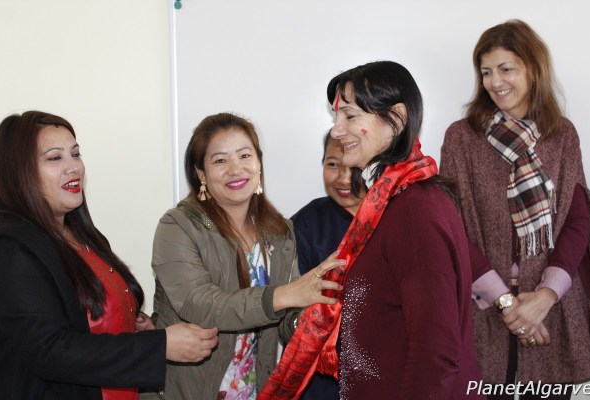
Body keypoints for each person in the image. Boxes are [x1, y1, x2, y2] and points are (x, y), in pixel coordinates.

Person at [260, 61, 485, 400]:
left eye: (350, 116)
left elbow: (435, 351)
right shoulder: (386, 201)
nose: (337, 130)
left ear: (396, 118)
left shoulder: (416, 207)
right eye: (336, 117)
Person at [0, 111, 219, 400]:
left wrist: (136, 326)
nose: (74, 167)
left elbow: (88, 321)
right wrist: (159, 346)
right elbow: (49, 350)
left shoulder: (83, 236)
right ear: (18, 172)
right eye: (55, 158)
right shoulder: (12, 247)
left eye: (75, 154)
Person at [440, 19, 590, 400]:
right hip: (484, 309)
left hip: (554, 308)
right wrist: (508, 304)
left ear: (533, 69)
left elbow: (578, 220)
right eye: (486, 72)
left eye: (506, 69)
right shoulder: (462, 137)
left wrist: (545, 297)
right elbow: (451, 226)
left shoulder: (562, 135)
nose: (495, 82)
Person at [145, 112, 343, 400]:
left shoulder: (279, 230)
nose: (236, 169)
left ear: (258, 163)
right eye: (220, 161)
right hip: (188, 391)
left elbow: (285, 317)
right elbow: (201, 305)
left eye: (245, 156)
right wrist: (286, 295)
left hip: (254, 390)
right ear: (201, 174)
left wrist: (307, 319)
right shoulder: (178, 226)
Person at [291, 130, 365, 400]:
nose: (344, 178)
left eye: (356, 168)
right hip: (322, 376)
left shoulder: (397, 215)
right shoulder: (305, 225)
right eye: (333, 164)